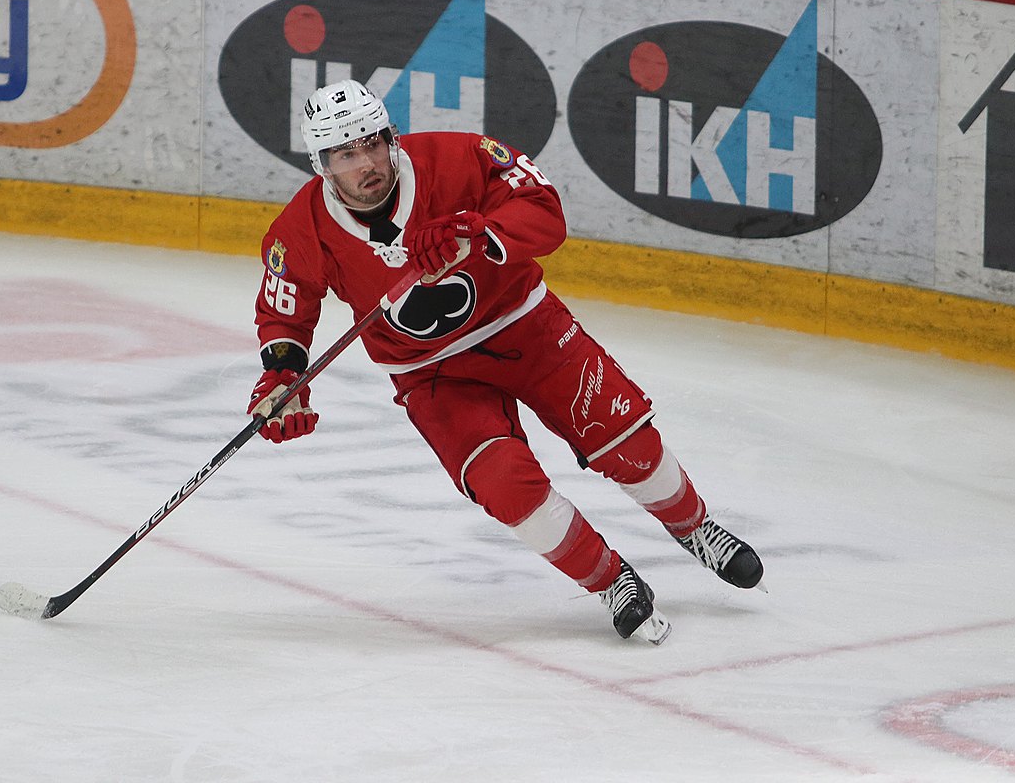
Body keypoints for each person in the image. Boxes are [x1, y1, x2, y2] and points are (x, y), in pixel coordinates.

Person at [247, 79, 763, 643]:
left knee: (625, 439)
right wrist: (285, 377)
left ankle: (695, 528)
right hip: (433, 373)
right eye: (347, 153)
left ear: (391, 137)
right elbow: (286, 310)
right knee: (504, 484)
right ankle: (612, 581)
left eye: (374, 143)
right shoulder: (300, 229)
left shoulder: (459, 155)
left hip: (525, 325)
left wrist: (483, 232)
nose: (367, 162)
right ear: (322, 164)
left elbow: (545, 212)